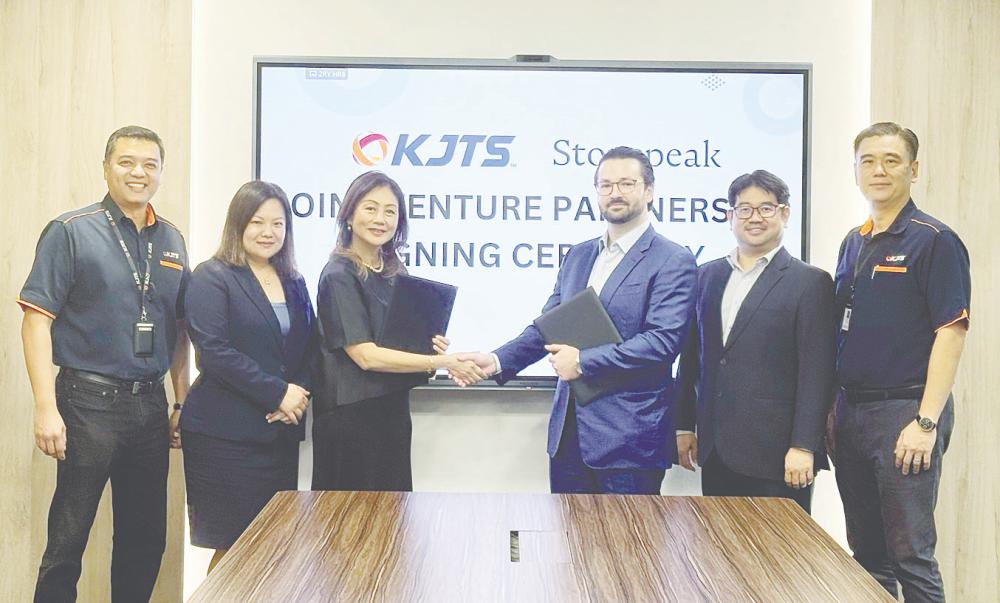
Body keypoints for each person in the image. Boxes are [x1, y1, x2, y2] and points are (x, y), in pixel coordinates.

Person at [461, 146, 697, 495]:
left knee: (624, 549)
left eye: (626, 183)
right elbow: (548, 327)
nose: (615, 193)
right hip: (568, 435)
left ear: (649, 192)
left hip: (630, 440)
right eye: (605, 185)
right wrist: (496, 360)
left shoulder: (672, 259)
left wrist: (583, 361)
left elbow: (662, 342)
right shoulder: (578, 255)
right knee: (568, 546)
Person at [18, 126, 190, 602]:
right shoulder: (71, 230)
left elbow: (180, 332)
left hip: (150, 408)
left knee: (145, 539)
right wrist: (45, 408)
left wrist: (181, 402)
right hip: (86, 404)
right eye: (127, 162)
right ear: (106, 167)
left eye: (150, 164)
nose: (139, 172)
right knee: (68, 539)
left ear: (160, 173)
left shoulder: (172, 239)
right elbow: (36, 321)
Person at [832, 122, 970, 602]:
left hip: (905, 415)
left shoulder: (934, 240)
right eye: (868, 160)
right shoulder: (855, 241)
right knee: (866, 556)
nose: (879, 170)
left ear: (913, 169)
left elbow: (951, 332)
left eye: (891, 160)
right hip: (851, 415)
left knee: (910, 555)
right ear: (855, 171)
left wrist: (926, 421)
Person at [311, 171, 486, 492]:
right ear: (349, 215)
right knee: (349, 528)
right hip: (350, 419)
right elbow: (365, 356)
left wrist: (428, 348)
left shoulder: (394, 271)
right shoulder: (339, 274)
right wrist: (442, 363)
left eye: (390, 211)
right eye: (371, 208)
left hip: (390, 412)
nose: (381, 219)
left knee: (391, 523)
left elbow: (397, 342)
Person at [674, 169, 836, 513]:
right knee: (717, 553)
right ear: (730, 216)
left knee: (778, 560)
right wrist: (684, 425)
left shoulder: (810, 283)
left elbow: (816, 373)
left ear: (785, 213)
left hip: (778, 456)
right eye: (744, 209)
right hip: (715, 450)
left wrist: (804, 445)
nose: (755, 218)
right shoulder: (707, 275)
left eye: (766, 208)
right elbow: (692, 357)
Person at [179, 181, 314, 573]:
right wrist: (277, 394)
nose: (268, 232)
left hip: (279, 436)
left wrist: (298, 395)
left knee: (274, 546)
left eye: (278, 223)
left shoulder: (294, 281)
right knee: (234, 548)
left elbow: (309, 348)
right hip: (224, 435)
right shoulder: (213, 276)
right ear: (237, 224)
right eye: (257, 222)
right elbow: (214, 352)